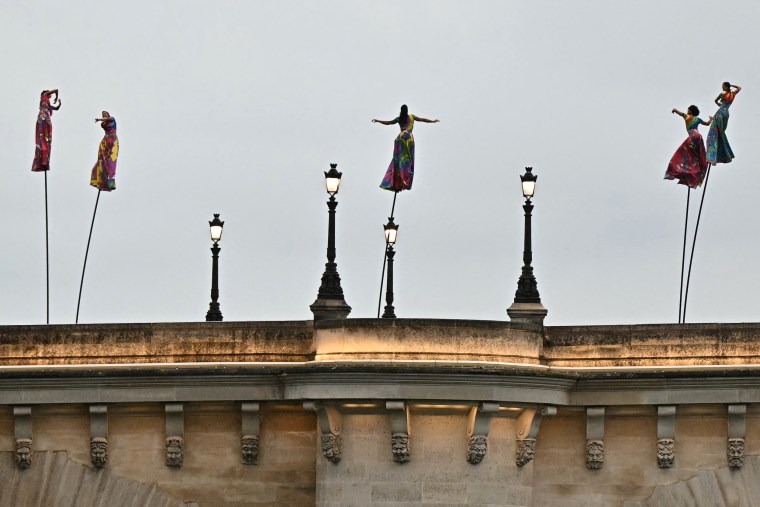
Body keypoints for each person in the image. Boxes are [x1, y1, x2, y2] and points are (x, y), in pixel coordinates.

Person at [373, 105, 439, 191]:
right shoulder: (412, 116)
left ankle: (398, 176)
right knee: (408, 160)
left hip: (400, 137)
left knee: (398, 158)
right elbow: (423, 119)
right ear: (407, 110)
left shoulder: (399, 118)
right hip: (409, 138)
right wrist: (433, 121)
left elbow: (388, 122)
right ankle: (405, 177)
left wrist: (378, 120)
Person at [664, 105, 711, 188]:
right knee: (699, 154)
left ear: (690, 111)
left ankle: (679, 168)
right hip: (699, 137)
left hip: (692, 136)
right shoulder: (698, 119)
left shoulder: (687, 116)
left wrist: (675, 110)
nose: (687, 111)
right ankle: (697, 167)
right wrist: (711, 119)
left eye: (688, 110)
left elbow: (681, 114)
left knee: (682, 151)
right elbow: (707, 124)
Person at [706, 82, 741, 165]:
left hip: (720, 113)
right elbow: (739, 87)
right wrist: (731, 85)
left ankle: (712, 155)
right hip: (726, 114)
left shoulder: (723, 94)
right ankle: (723, 152)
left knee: (713, 132)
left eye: (723, 86)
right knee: (721, 133)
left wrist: (720, 104)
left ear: (725, 86)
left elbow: (715, 100)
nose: (722, 87)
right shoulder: (733, 93)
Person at [32, 89, 61, 172]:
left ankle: (44, 159)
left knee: (47, 138)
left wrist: (59, 103)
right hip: (43, 117)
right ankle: (42, 156)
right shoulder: (44, 95)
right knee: (43, 137)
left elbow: (57, 108)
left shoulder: (47, 104)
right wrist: (56, 97)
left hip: (46, 118)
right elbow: (56, 90)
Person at [90, 111, 119, 191]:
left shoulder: (112, 119)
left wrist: (99, 119)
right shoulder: (103, 124)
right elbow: (105, 122)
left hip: (113, 141)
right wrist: (101, 120)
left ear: (108, 114)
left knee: (111, 161)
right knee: (103, 161)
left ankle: (111, 182)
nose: (104, 115)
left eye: (105, 114)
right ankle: (101, 181)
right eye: (102, 115)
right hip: (105, 142)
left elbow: (108, 119)